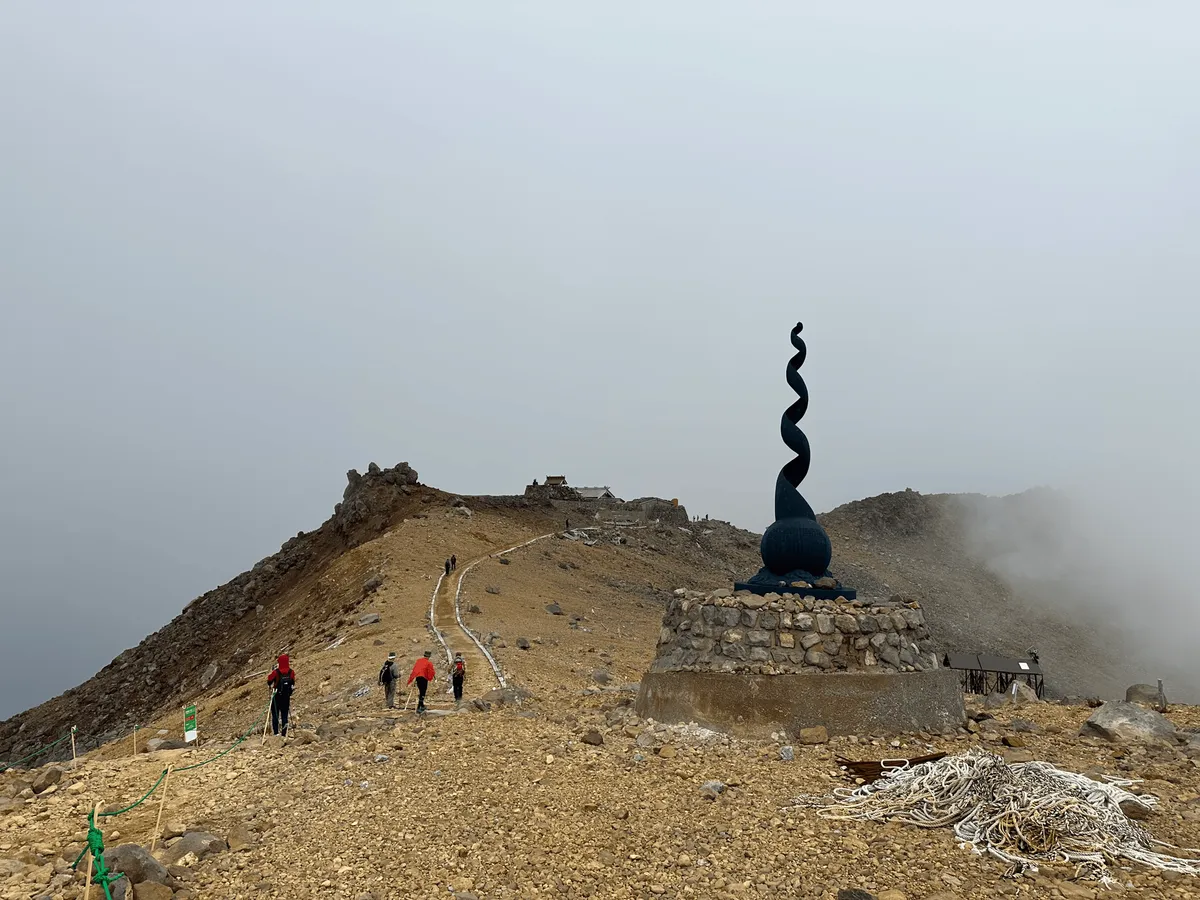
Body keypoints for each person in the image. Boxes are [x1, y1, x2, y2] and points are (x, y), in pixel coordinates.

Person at [267, 654, 296, 736]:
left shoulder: (276, 672)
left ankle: (276, 733)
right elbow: (293, 682)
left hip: (276, 696)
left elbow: (269, 680)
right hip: (286, 696)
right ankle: (284, 732)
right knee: (284, 715)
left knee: (275, 714)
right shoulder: (291, 672)